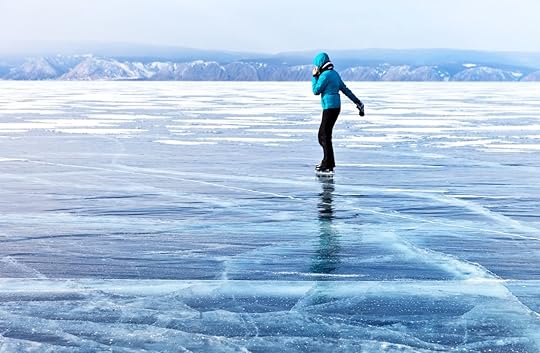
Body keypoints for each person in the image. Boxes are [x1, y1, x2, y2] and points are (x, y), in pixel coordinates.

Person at [312, 52, 364, 174]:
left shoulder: (325, 75)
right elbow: (345, 89)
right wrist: (357, 101)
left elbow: (316, 91)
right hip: (335, 107)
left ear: (320, 64)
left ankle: (327, 164)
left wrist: (314, 76)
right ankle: (329, 162)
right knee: (324, 135)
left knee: (324, 136)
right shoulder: (334, 74)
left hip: (330, 108)